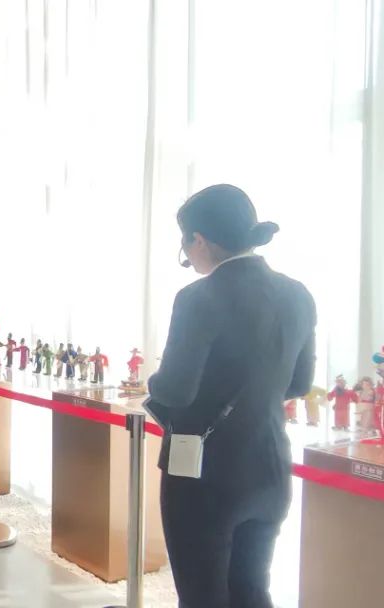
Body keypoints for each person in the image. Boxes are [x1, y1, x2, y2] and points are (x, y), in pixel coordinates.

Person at [145, 184, 315, 607]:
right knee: (252, 591)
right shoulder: (297, 293)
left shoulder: (197, 298)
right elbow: (299, 383)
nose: (188, 258)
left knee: (202, 597)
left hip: (204, 474)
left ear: (199, 240)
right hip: (270, 467)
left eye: (186, 247)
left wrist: (152, 384)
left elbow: (175, 389)